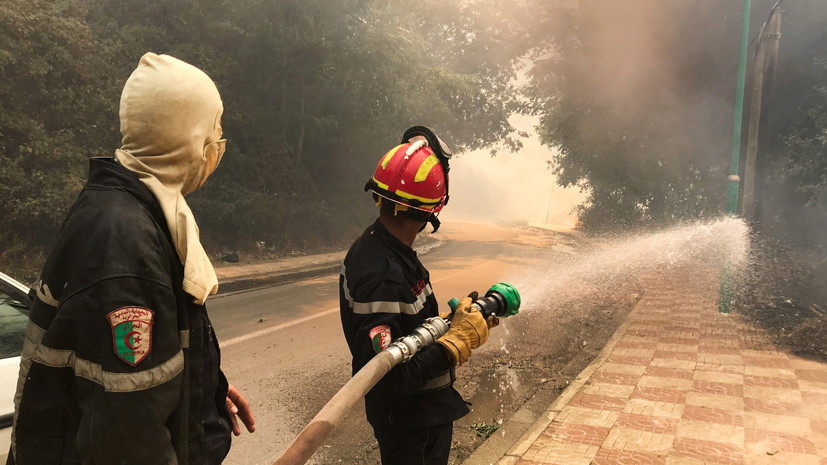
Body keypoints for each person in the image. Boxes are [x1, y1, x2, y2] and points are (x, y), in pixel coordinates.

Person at [7, 53, 254, 465]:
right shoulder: (127, 242)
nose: (218, 144)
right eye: (215, 129)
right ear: (189, 138)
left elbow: (120, 369)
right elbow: (127, 435)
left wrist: (202, 389)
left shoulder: (126, 206)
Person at [339, 126, 494, 465]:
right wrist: (452, 345)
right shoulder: (381, 273)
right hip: (410, 423)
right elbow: (384, 379)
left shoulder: (390, 249)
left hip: (423, 415)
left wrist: (454, 324)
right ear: (430, 210)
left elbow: (407, 336)